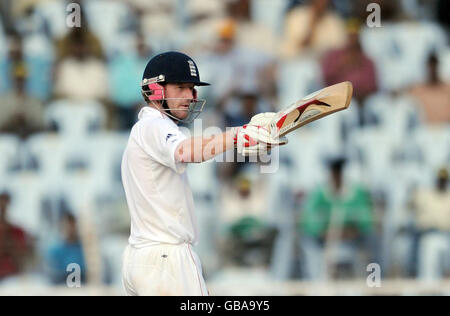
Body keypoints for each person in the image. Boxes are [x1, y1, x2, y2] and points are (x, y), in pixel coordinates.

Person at [120, 51, 287, 296]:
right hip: (168, 258)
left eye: (192, 88)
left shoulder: (144, 130)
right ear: (155, 90)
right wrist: (239, 135)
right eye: (181, 87)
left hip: (141, 258)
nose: (190, 96)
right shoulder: (154, 125)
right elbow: (186, 151)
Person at [0, 192, 30, 280]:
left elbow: (22, 256)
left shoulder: (18, 231)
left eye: (5, 206)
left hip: (13, 277)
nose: (3, 209)